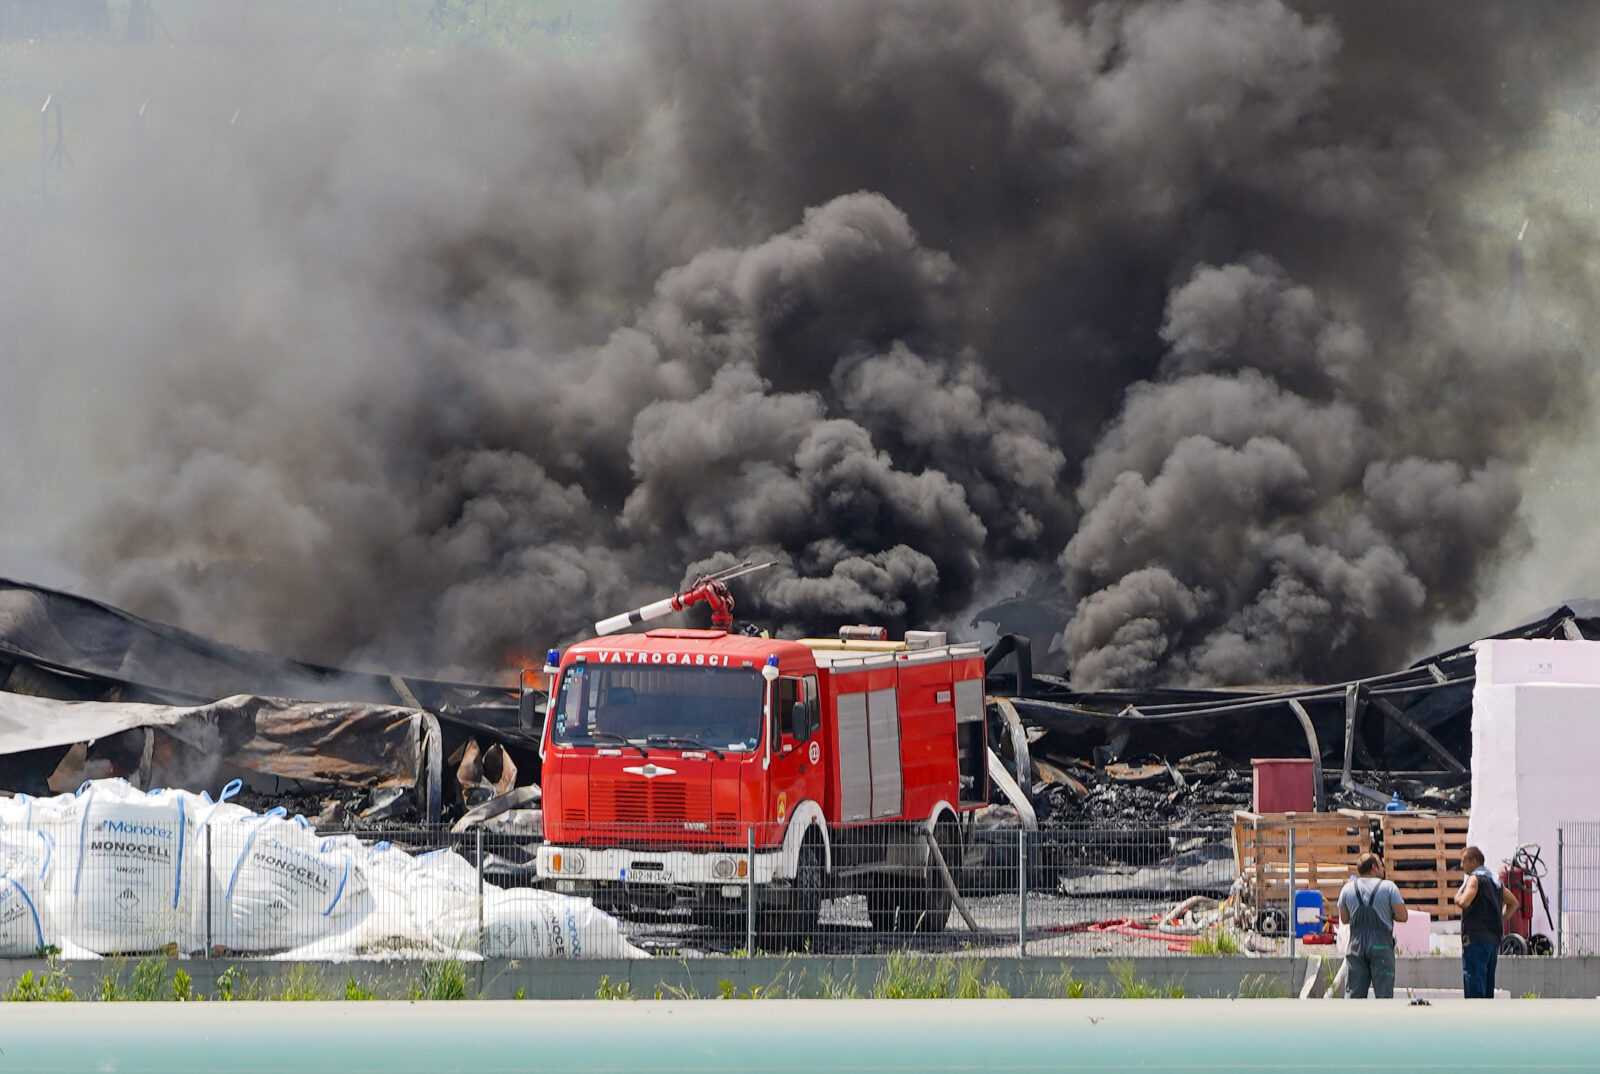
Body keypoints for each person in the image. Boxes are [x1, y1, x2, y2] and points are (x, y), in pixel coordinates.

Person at [1337, 852, 1408, 998]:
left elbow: (1344, 919)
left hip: (1356, 946)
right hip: (1381, 946)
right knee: (1384, 995)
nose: (1383, 868)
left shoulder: (1347, 889)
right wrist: (1388, 913)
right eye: (1381, 865)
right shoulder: (1389, 887)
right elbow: (1403, 916)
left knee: (1354, 995)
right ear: (1374, 867)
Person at [1455, 846, 1519, 999]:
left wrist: (1457, 896)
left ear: (1473, 861)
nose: (1461, 866)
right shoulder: (1495, 881)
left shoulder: (1474, 879)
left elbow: (1464, 902)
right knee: (1488, 985)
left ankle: (1475, 1020)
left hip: (1475, 940)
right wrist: (1499, 919)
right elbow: (1514, 903)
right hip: (1493, 941)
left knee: (1474, 984)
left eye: (1463, 861)